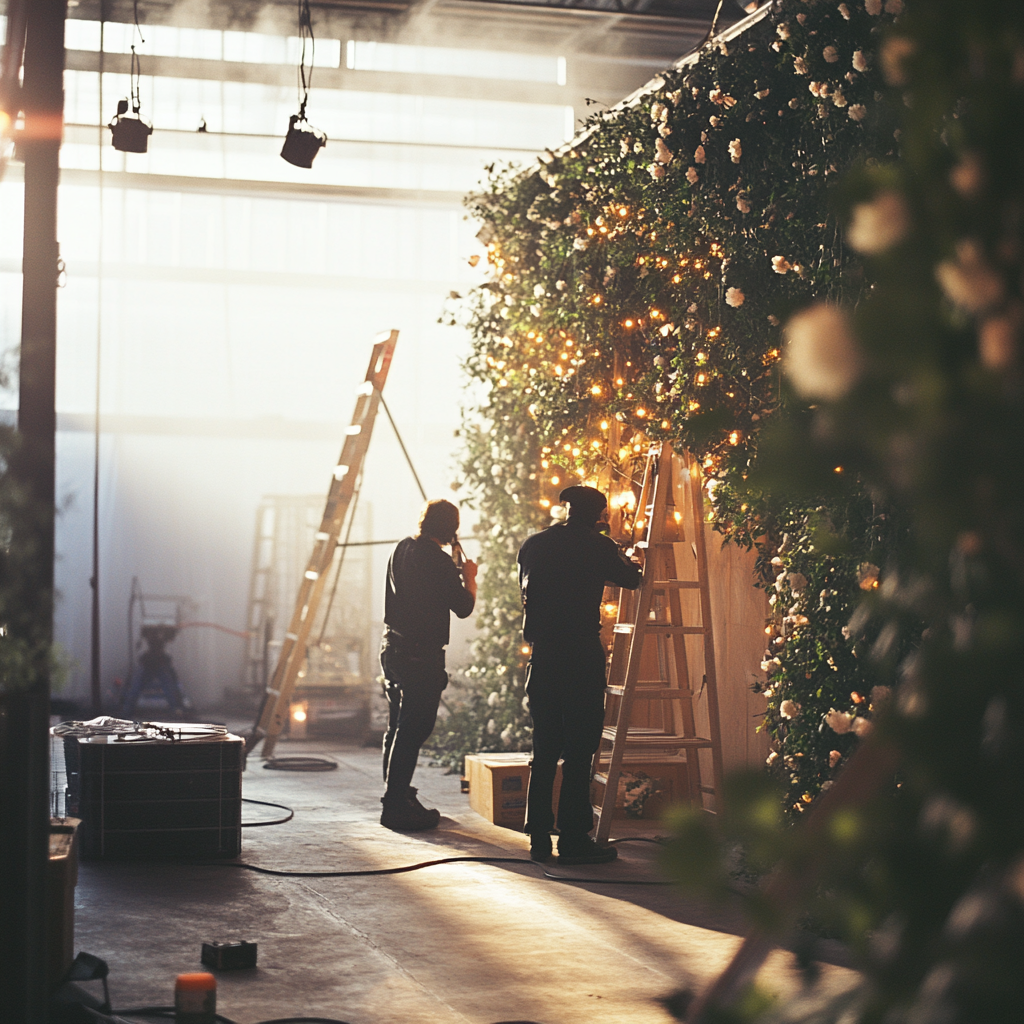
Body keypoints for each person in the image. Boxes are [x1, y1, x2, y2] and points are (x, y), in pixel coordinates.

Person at [517, 485, 642, 864]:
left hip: (544, 655)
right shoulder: (598, 548)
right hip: (581, 655)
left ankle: (538, 836)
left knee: (544, 748)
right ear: (599, 516)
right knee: (579, 749)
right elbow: (632, 579)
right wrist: (629, 553)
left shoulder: (533, 545)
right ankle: (572, 839)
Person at [380, 499, 477, 831]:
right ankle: (396, 806)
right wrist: (470, 577)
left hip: (393, 648)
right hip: (421, 656)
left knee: (398, 727)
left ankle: (397, 796)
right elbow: (463, 607)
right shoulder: (439, 562)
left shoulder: (402, 548)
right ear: (451, 528)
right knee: (414, 729)